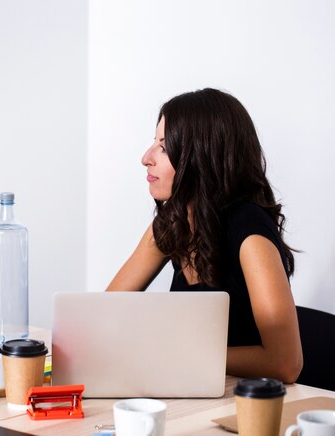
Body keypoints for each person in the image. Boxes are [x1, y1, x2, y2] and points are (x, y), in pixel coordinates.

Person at [107, 88, 303, 383]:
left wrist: (176, 353)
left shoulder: (250, 233)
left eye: (164, 146)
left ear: (201, 156)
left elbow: (286, 363)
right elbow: (103, 313)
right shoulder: (172, 222)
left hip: (251, 406)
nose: (146, 158)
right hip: (200, 392)